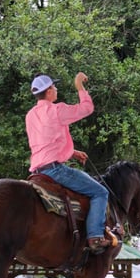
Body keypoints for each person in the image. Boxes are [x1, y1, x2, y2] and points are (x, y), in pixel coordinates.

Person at [26, 71, 110, 254]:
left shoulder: (30, 115)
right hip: (55, 170)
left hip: (37, 171)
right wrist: (79, 85)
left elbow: (46, 142)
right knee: (100, 192)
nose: (56, 89)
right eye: (54, 87)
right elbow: (86, 109)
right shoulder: (57, 110)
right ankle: (95, 237)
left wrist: (72, 153)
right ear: (48, 91)